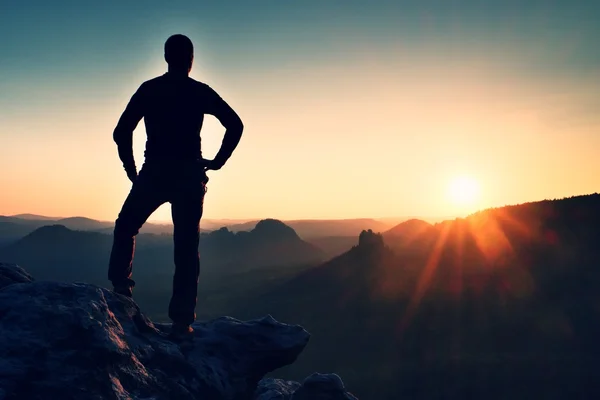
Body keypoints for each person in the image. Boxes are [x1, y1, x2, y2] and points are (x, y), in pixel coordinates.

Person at [107, 34, 244, 340]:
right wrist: (218, 160)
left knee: (126, 226)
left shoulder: (150, 89)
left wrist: (131, 170)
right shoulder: (200, 92)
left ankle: (120, 291)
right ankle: (182, 322)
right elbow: (235, 124)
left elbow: (121, 132)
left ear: (167, 57)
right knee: (186, 247)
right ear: (190, 59)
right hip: (188, 176)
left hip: (154, 171)